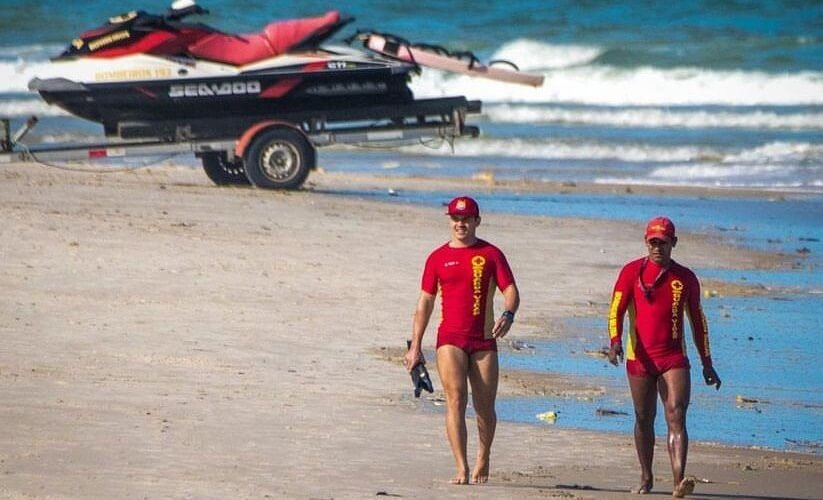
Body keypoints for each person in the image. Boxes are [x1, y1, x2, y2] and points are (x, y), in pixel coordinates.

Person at [405, 196, 520, 485]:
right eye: (456, 219)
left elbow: (510, 290)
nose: (460, 224)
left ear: (476, 221)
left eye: (466, 219)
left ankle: (484, 455)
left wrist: (508, 313)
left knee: (485, 407)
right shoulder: (437, 258)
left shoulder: (491, 254)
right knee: (455, 399)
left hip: (484, 341)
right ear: (450, 221)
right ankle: (461, 466)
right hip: (450, 339)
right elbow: (425, 303)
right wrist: (415, 346)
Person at [607, 216, 721, 497]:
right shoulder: (630, 272)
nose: (657, 247)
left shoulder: (685, 278)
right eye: (653, 242)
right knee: (644, 417)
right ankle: (646, 477)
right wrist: (615, 342)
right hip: (639, 358)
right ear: (646, 242)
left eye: (663, 242)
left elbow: (698, 322)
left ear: (674, 243)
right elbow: (615, 310)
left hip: (673, 358)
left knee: (677, 415)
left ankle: (679, 482)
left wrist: (707, 363)